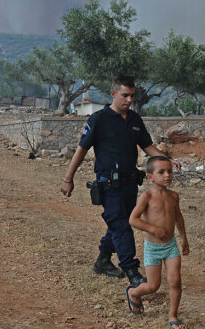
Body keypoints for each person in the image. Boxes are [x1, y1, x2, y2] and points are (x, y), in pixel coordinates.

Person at [60, 75, 180, 288]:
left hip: (130, 184)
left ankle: (103, 260)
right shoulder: (98, 119)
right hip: (108, 184)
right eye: (125, 95)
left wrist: (166, 159)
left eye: (132, 96)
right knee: (121, 225)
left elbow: (147, 147)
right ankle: (131, 270)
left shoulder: (134, 120)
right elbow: (82, 149)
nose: (129, 100)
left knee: (119, 223)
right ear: (114, 94)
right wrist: (68, 179)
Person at [126, 156, 189, 329]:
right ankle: (133, 293)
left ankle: (173, 316)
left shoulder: (174, 196)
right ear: (150, 177)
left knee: (175, 280)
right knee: (153, 286)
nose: (167, 175)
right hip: (152, 248)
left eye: (169, 171)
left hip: (170, 247)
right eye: (161, 172)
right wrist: (153, 229)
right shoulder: (147, 196)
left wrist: (184, 238)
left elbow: (178, 217)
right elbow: (133, 219)